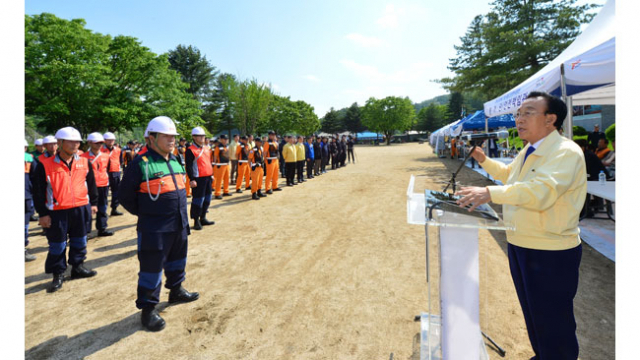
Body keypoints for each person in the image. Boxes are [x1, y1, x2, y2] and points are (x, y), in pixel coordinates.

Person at [456, 91, 586, 359]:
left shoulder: (565, 152)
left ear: (550, 119)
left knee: (554, 322)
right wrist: (483, 159)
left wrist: (490, 193)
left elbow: (541, 191)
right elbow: (508, 176)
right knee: (534, 314)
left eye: (528, 112)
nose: (519, 119)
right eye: (518, 113)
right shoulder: (530, 149)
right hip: (520, 243)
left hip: (550, 251)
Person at [118, 116, 199, 332]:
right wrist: (148, 213)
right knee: (151, 269)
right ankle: (148, 309)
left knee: (178, 260)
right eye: (166, 136)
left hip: (179, 223)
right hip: (155, 228)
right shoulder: (140, 163)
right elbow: (125, 196)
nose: (172, 140)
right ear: (151, 138)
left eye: (173, 136)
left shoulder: (175, 160)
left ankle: (176, 290)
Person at [33, 127, 99, 293]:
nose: (74, 144)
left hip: (81, 208)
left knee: (80, 240)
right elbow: (38, 191)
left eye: (77, 141)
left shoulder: (84, 162)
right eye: (70, 141)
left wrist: (94, 203)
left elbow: (92, 185)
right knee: (57, 244)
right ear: (60, 143)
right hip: (57, 211)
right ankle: (58, 274)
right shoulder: (44, 165)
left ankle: (77, 267)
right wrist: (43, 214)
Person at [82, 133, 114, 237]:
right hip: (89, 187)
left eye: (101, 143)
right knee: (88, 209)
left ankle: (102, 228)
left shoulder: (106, 156)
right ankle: (85, 232)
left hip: (103, 185)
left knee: (103, 208)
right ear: (90, 143)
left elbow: (107, 169)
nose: (99, 145)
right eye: (97, 143)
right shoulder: (83, 157)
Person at [184, 126, 215, 230]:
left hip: (208, 177)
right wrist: (191, 179)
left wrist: (211, 174)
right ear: (194, 137)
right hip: (198, 178)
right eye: (200, 136)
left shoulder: (206, 148)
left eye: (203, 136)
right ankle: (196, 220)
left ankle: (203, 217)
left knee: (207, 198)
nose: (202, 138)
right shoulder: (190, 150)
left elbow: (208, 162)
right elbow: (188, 166)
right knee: (198, 200)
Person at [103, 132, 124, 216]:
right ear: (104, 141)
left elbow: (121, 161)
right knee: (104, 193)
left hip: (115, 172)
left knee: (116, 192)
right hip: (104, 173)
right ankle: (103, 211)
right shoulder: (100, 150)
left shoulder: (118, 150)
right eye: (109, 140)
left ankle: (114, 208)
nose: (111, 141)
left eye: (112, 140)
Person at [25, 140, 38, 261]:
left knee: (25, 221)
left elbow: (35, 177)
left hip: (26, 194)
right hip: (26, 194)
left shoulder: (29, 158)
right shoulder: (30, 157)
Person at [213, 134, 232, 199]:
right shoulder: (218, 147)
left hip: (226, 164)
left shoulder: (227, 146)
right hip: (220, 165)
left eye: (227, 139)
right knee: (219, 180)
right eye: (224, 139)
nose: (226, 140)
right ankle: (217, 193)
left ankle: (226, 191)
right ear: (221, 140)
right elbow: (215, 156)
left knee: (227, 178)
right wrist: (215, 164)